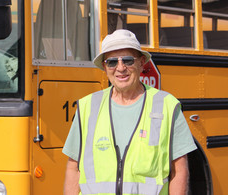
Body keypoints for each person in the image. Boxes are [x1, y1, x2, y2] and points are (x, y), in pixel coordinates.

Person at [62, 29, 197, 195]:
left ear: (141, 63)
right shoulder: (87, 107)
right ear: (105, 67)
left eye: (127, 60)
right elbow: (73, 168)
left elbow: (179, 170)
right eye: (112, 62)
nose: (120, 68)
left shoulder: (168, 106)